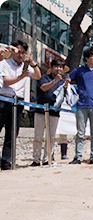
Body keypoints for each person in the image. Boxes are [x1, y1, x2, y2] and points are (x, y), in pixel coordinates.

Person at [0, 40, 41, 170]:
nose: (20, 55)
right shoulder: (4, 64)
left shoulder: (26, 66)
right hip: (3, 99)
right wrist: (21, 77)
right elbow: (6, 82)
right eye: (18, 52)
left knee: (12, 133)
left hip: (17, 102)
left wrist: (33, 65)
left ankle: (7, 161)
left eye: (23, 53)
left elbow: (38, 76)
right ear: (13, 51)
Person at [31, 59, 69, 166]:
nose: (59, 69)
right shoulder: (44, 77)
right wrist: (55, 81)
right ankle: (36, 159)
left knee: (51, 137)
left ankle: (48, 158)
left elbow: (66, 96)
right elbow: (43, 88)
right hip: (40, 110)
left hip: (54, 112)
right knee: (38, 136)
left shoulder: (63, 82)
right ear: (51, 68)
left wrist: (66, 86)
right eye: (56, 66)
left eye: (61, 67)